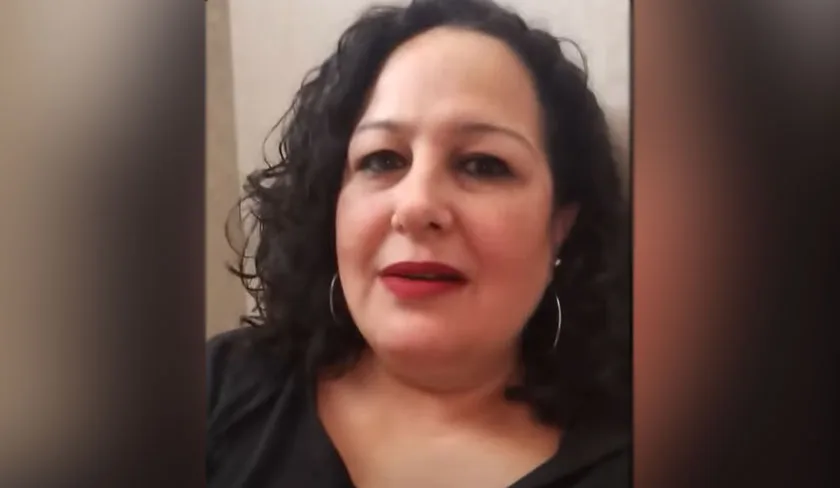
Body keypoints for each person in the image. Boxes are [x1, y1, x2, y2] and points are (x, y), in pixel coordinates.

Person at [207, 0, 630, 486]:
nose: (415, 207)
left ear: (560, 225)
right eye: (382, 159)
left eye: (482, 164)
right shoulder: (216, 389)